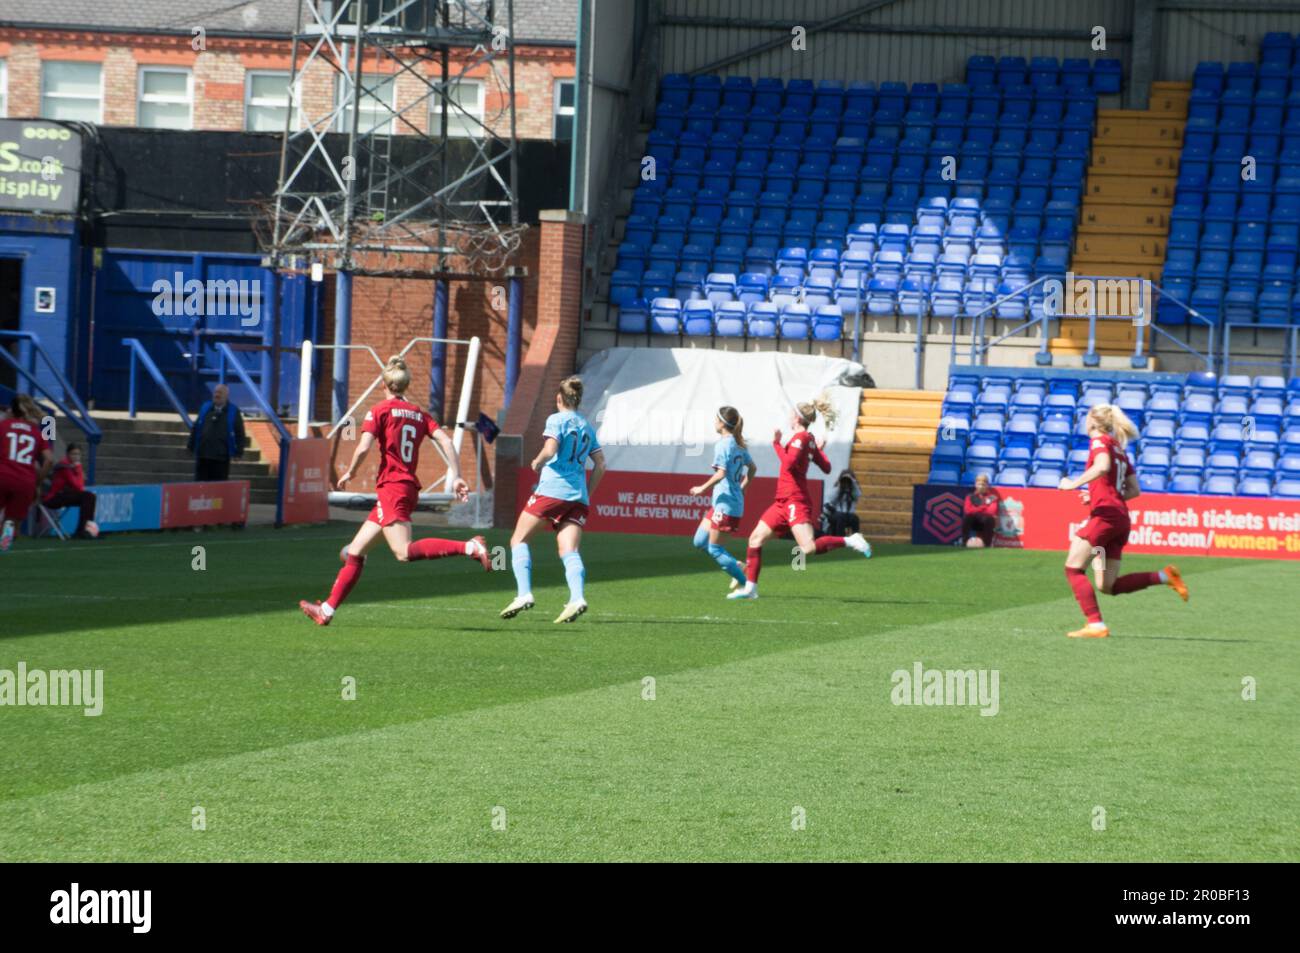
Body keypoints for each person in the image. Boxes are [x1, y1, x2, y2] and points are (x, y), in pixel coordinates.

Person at [299, 356, 490, 626]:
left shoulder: (379, 410)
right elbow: (446, 441)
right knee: (355, 552)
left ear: (384, 384)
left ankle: (469, 546)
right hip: (404, 488)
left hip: (393, 489)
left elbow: (364, 447)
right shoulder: (419, 413)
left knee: (403, 552)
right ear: (406, 385)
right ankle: (326, 610)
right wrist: (456, 476)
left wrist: (351, 472)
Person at [1057, 404, 1188, 639]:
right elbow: (1134, 490)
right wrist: (1095, 495)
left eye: (1086, 418)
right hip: (1120, 518)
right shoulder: (1119, 449)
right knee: (1108, 586)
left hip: (1105, 517)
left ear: (1094, 422)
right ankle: (1164, 576)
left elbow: (1102, 467)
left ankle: (1095, 625)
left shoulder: (1099, 441)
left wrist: (1073, 484)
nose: (1084, 422)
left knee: (1073, 569)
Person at [729, 394, 871, 600]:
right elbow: (827, 466)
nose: (789, 415)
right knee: (755, 538)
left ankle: (851, 540)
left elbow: (787, 464)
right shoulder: (809, 440)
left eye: (791, 412)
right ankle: (751, 588)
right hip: (782, 502)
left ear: (796, 417)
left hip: (795, 500)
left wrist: (776, 443)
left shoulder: (802, 438)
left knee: (808, 548)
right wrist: (816, 451)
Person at [500, 376, 606, 624]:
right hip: (578, 496)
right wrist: (588, 493)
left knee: (518, 539)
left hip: (552, 491)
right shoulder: (586, 426)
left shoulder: (556, 419)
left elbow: (550, 449)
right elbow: (601, 464)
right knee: (569, 549)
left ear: (559, 398)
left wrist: (537, 461)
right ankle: (577, 597)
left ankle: (524, 594)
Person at [688, 405, 756, 589]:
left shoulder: (723, 445)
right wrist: (744, 485)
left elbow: (721, 474)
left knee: (714, 549)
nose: (713, 422)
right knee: (699, 541)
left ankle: (746, 585)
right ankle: (739, 566)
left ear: (721, 423)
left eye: (715, 419)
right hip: (722, 503)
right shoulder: (738, 445)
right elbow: (753, 468)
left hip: (727, 506)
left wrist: (701, 488)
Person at [0, 394, 54, 553]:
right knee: (13, 521)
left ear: (12, 410)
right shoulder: (37, 432)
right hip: (25, 481)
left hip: (2, 475)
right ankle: (8, 532)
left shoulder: (3, 425)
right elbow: (49, 460)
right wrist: (37, 482)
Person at [187, 384, 246, 481]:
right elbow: (196, 427)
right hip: (203, 456)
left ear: (226, 396)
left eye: (220, 393)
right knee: (200, 488)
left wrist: (239, 452)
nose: (217, 395)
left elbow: (240, 433)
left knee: (218, 491)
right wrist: (190, 446)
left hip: (221, 458)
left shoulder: (233, 411)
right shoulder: (205, 407)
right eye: (215, 392)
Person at [43, 441, 98, 539]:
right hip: (54, 498)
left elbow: (80, 487)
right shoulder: (64, 466)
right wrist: (79, 467)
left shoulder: (73, 466)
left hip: (64, 495)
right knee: (88, 496)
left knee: (90, 497)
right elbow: (77, 486)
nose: (76, 457)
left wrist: (78, 469)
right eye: (73, 454)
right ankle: (82, 531)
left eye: (78, 454)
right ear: (68, 454)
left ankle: (87, 530)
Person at [962, 473, 1000, 548]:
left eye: (983, 484)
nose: (981, 487)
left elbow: (991, 511)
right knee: (967, 517)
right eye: (979, 484)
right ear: (975, 485)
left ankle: (987, 544)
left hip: (985, 522)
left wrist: (976, 509)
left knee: (989, 519)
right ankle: (964, 542)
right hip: (974, 522)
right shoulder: (970, 496)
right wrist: (984, 507)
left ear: (987, 485)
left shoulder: (992, 497)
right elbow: (967, 510)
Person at [821, 469, 861, 537]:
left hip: (849, 515)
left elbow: (858, 495)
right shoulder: (837, 489)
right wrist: (840, 485)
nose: (846, 482)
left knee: (855, 518)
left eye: (848, 480)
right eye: (844, 479)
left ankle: (856, 539)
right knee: (841, 517)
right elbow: (830, 499)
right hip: (836, 514)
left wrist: (853, 482)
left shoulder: (854, 491)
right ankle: (840, 538)